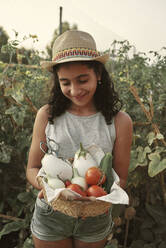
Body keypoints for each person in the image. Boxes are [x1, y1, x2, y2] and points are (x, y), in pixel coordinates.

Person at [26, 30, 133, 248]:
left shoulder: (120, 122)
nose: (75, 90)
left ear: (99, 74)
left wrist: (95, 200)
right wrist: (48, 189)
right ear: (57, 81)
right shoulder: (47, 116)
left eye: (82, 80)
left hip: (95, 217)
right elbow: (33, 168)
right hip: (52, 214)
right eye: (65, 82)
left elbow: (120, 178)